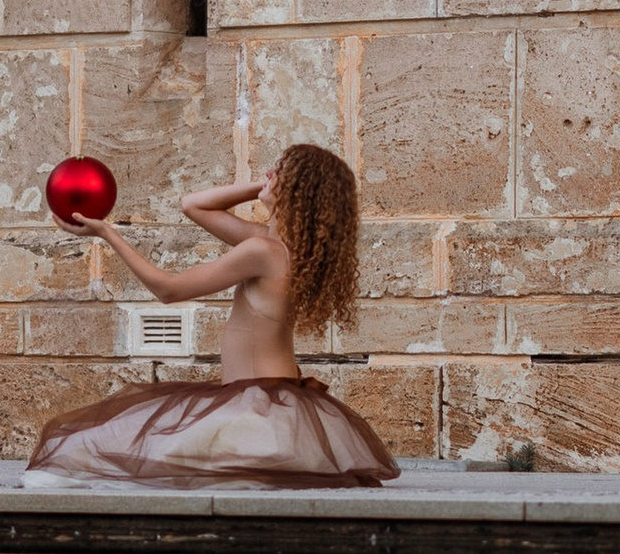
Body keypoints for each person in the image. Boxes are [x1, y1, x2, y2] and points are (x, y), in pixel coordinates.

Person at [25, 143, 399, 489]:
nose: (268, 175)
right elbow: (193, 205)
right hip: (270, 400)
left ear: (298, 190)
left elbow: (169, 290)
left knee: (83, 453)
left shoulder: (263, 251)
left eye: (277, 173)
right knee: (117, 453)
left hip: (255, 407)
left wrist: (109, 234)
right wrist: (265, 187)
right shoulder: (278, 247)